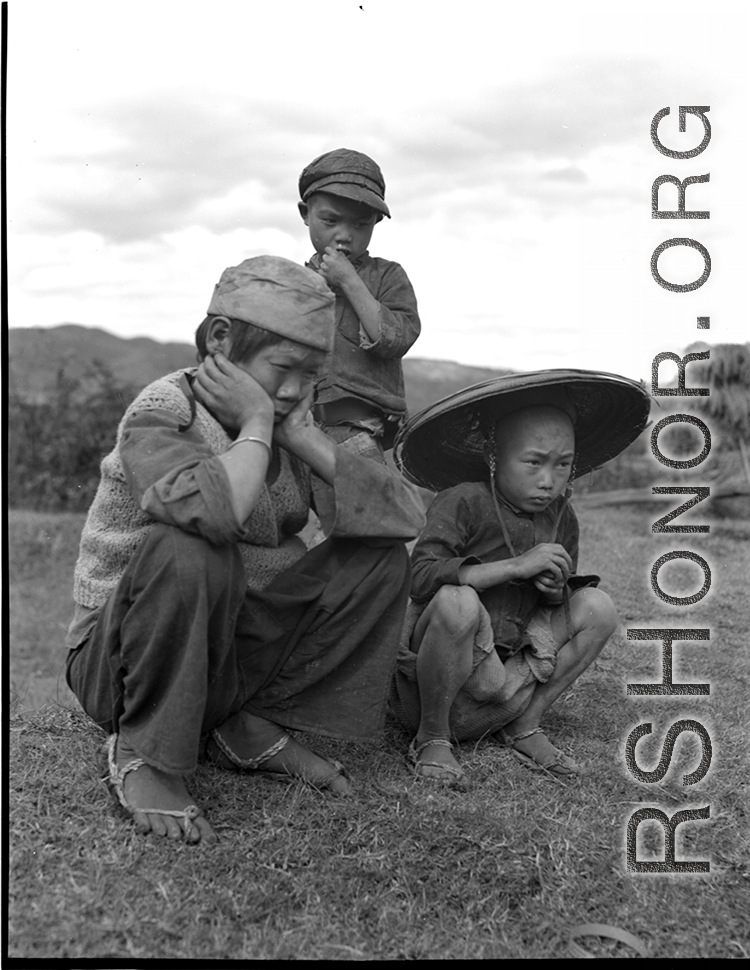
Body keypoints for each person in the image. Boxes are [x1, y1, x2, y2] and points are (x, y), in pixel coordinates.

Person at [64, 255, 426, 844]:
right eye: (284, 367)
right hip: (122, 663)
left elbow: (405, 519)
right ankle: (146, 750)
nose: (294, 391)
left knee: (379, 560)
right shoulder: (166, 409)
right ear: (221, 340)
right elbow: (211, 513)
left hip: (225, 655)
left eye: (312, 376)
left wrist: (303, 437)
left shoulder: (291, 421)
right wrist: (255, 425)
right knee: (196, 543)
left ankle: (248, 722)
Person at [389, 370, 651, 788]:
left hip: (506, 677)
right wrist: (514, 567)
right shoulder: (463, 500)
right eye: (533, 462)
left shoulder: (561, 514)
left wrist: (553, 591)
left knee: (597, 607)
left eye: (562, 465)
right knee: (457, 600)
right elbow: (420, 578)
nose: (548, 480)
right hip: (431, 684)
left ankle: (524, 723)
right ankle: (432, 737)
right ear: (495, 457)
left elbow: (559, 598)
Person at [297, 148, 421, 461]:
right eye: (330, 220)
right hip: (295, 427)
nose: (344, 236)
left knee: (368, 504)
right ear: (304, 214)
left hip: (360, 431)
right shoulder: (291, 281)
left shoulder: (388, 276)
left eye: (360, 224)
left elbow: (396, 338)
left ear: (376, 221)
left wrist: (350, 281)